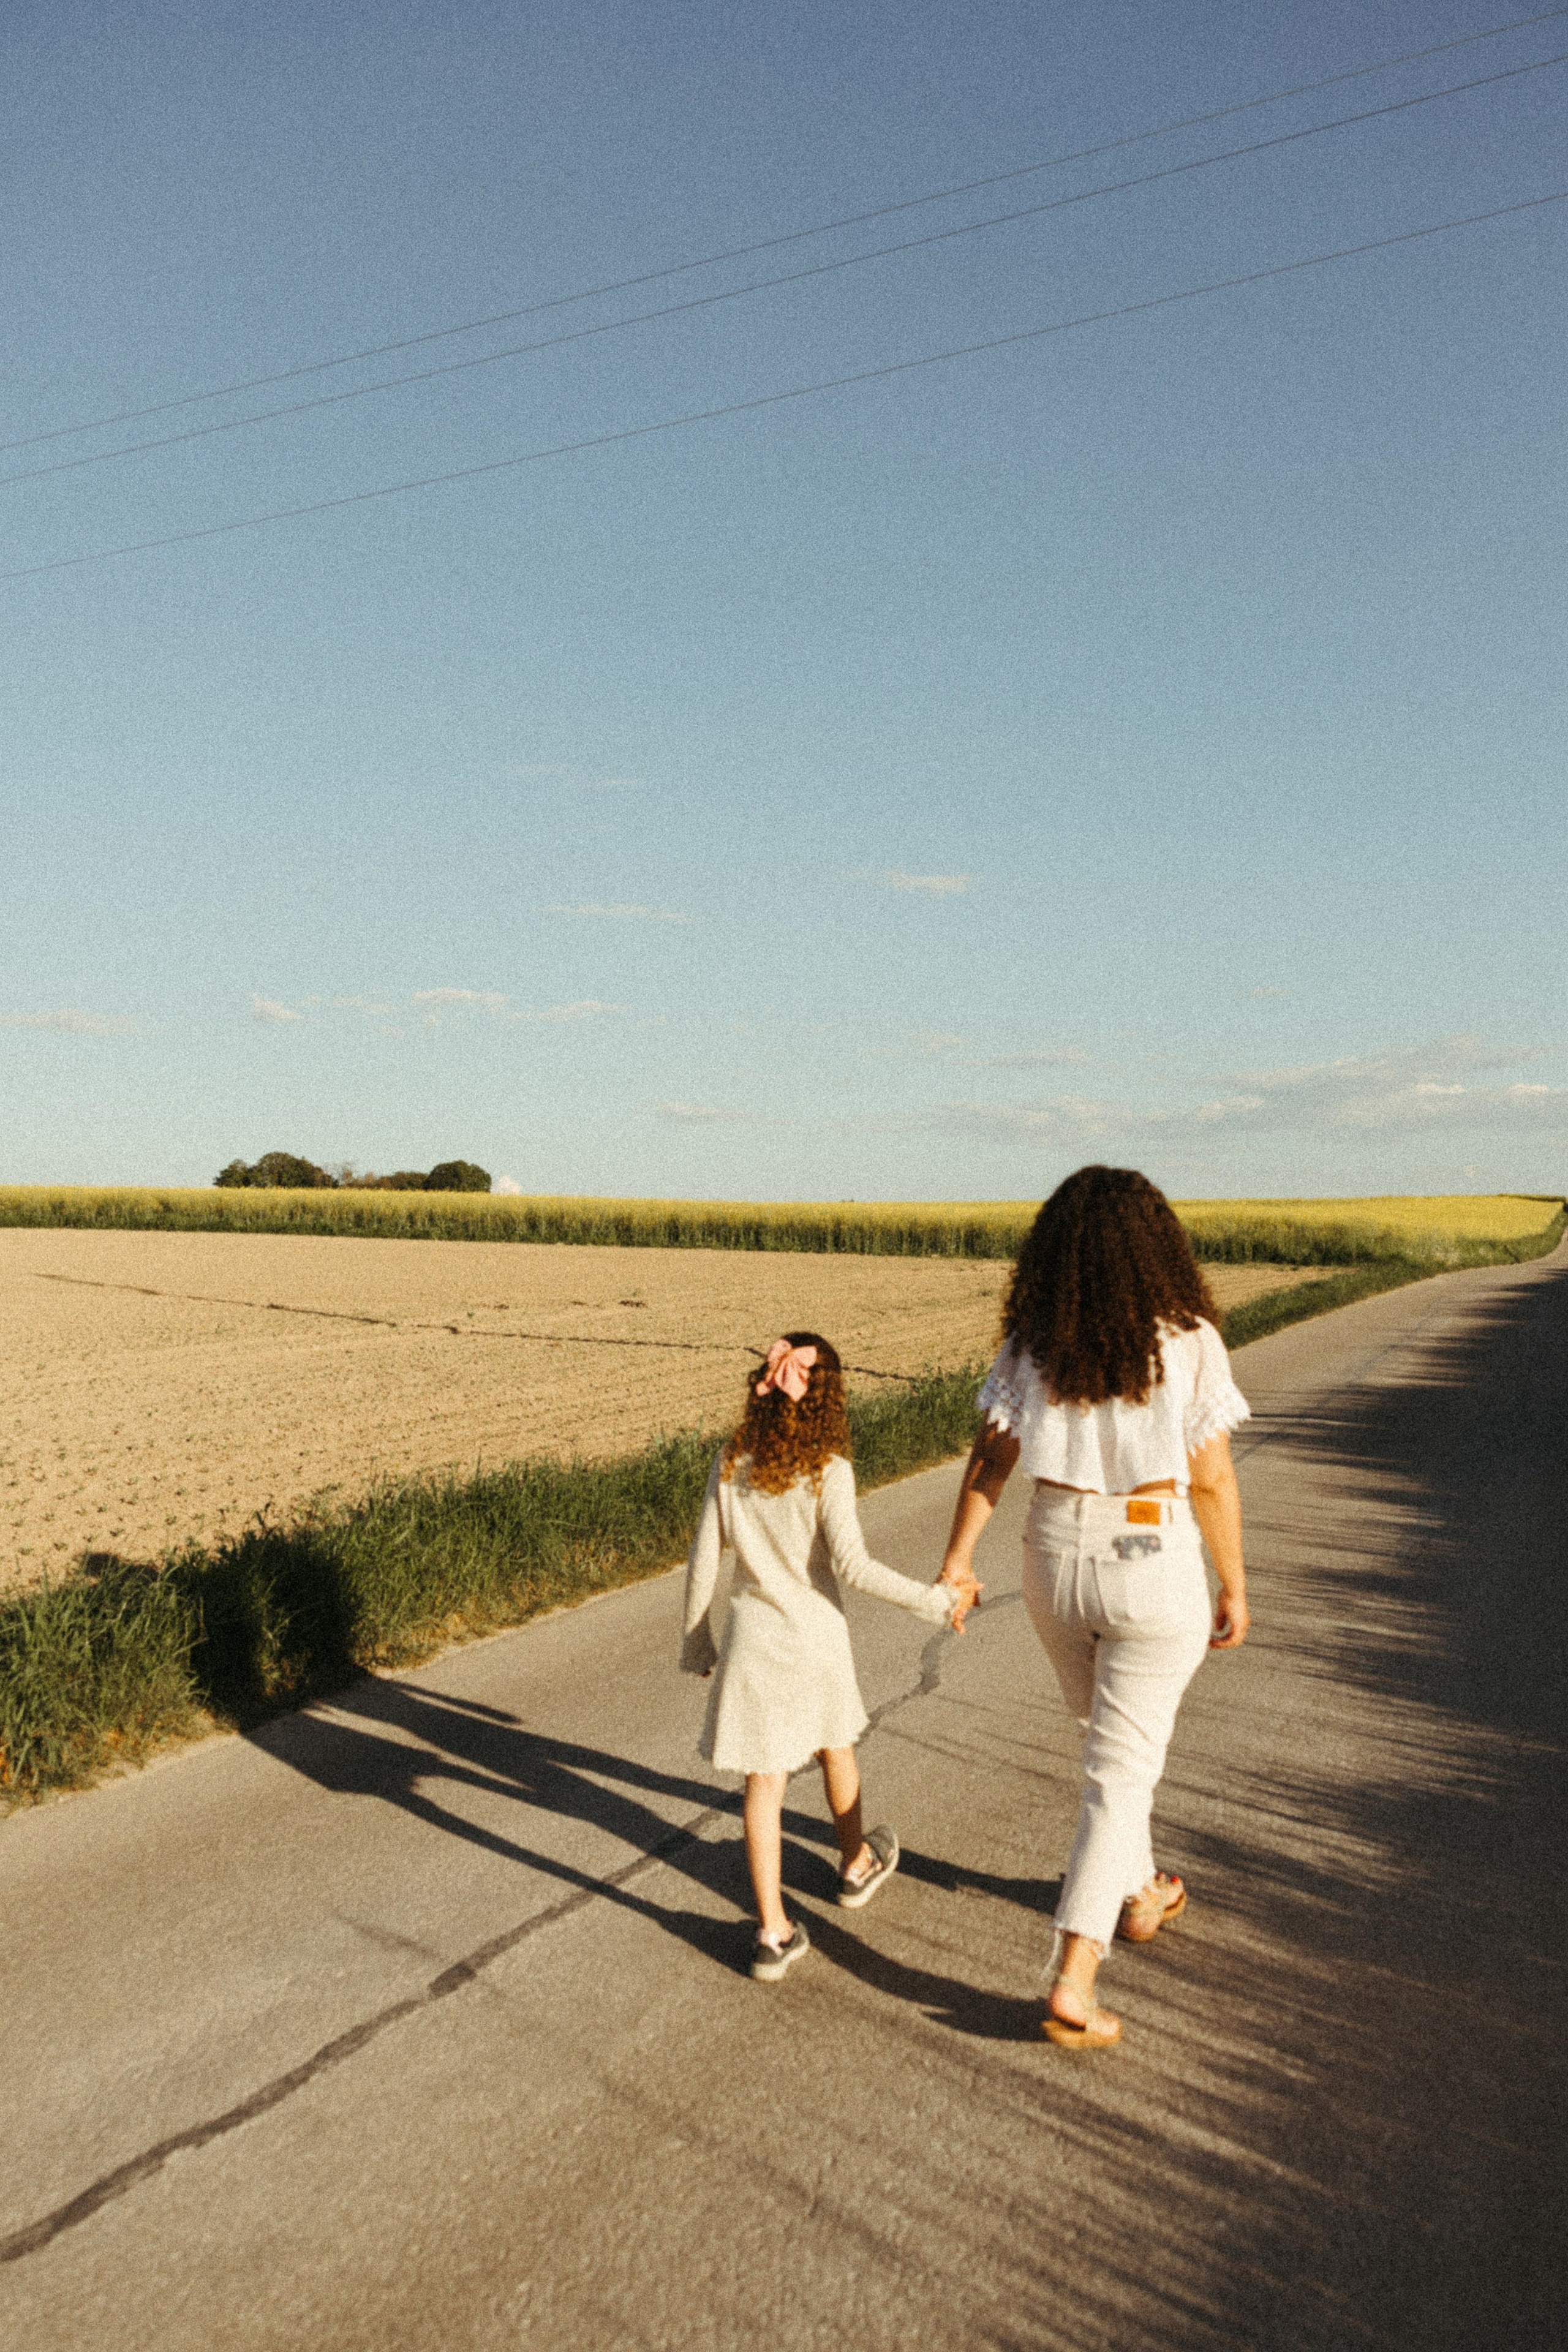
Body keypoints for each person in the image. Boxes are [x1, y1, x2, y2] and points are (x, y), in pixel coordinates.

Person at [938, 1166, 1251, 2049]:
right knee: (1121, 1768)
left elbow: (992, 1457)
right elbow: (1211, 1477)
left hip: (1053, 1557)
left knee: (1110, 1744)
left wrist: (958, 1560)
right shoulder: (1189, 1340)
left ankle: (1141, 1890)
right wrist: (1234, 1583)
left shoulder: (1034, 1342)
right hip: (1150, 1554)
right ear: (1158, 1246)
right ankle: (1075, 1974)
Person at [682, 1332, 981, 1981]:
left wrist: (696, 1640)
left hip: (753, 1640)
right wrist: (935, 1602)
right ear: (830, 1399)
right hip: (815, 1639)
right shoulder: (828, 1469)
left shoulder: (730, 1460)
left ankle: (772, 1931)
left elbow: (705, 1556)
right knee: (835, 1746)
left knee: (763, 1784)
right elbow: (854, 1566)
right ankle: (854, 1865)